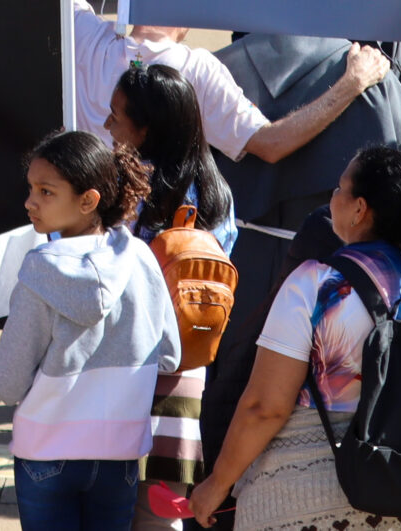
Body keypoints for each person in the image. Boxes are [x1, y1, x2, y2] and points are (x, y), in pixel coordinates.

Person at [188, 146, 401, 531]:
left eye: (339, 188)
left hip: (304, 498)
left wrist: (217, 484)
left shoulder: (315, 284)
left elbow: (265, 407)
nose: (332, 198)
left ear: (359, 209)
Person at [0, 131, 179, 531]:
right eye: (31, 188)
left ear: (88, 200)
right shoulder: (142, 258)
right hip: (120, 453)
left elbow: (7, 383)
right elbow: (170, 354)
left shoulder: (39, 267)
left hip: (46, 451)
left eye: (45, 191)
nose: (29, 202)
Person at [111, 64, 238, 521]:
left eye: (116, 117)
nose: (107, 126)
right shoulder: (217, 191)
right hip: (188, 362)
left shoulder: (130, 189)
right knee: (163, 508)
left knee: (114, 504)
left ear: (146, 129)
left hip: (122, 362)